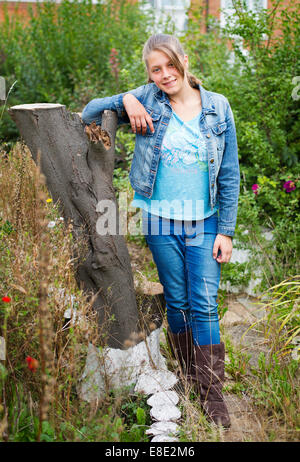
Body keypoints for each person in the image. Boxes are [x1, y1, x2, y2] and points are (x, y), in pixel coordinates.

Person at [81, 33, 240, 428]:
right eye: (156, 69)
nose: (166, 74)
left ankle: (212, 397)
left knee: (203, 304)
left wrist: (226, 230)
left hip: (204, 223)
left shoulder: (218, 108)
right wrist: (127, 99)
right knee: (178, 301)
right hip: (160, 221)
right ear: (149, 73)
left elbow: (231, 174)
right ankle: (187, 382)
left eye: (171, 64)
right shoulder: (148, 97)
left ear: (184, 60)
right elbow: (88, 111)